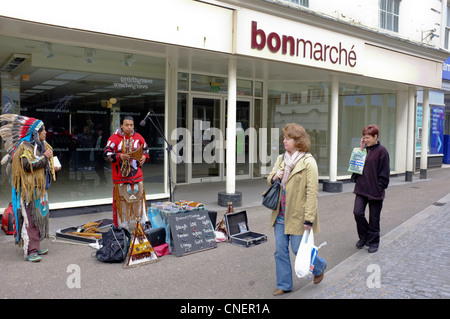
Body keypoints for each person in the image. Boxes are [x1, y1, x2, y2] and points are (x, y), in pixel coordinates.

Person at [267, 123, 326, 296]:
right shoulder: (281, 159)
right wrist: (274, 177)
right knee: (280, 250)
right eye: (284, 138)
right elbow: (270, 178)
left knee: (298, 249)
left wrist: (309, 218)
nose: (284, 141)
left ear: (298, 141)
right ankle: (284, 284)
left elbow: (312, 192)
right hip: (280, 212)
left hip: (298, 215)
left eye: (288, 138)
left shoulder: (308, 162)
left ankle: (320, 266)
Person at [0, 114, 60, 262]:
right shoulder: (24, 147)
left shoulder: (42, 145)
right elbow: (27, 166)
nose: (46, 132)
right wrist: (45, 157)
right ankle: (31, 250)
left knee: (39, 218)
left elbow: (42, 163)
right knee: (30, 220)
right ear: (35, 133)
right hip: (28, 191)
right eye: (43, 130)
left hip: (40, 190)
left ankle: (36, 246)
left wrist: (53, 166)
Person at [103, 116, 150, 229]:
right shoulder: (114, 138)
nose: (129, 127)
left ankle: (142, 229)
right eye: (127, 125)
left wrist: (144, 156)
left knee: (139, 205)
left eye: (131, 125)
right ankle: (123, 230)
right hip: (121, 178)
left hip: (137, 177)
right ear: (122, 126)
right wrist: (119, 156)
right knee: (122, 206)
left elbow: (146, 150)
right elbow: (106, 154)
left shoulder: (138, 137)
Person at [352, 124, 390, 253]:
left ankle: (373, 242)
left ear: (375, 137)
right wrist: (360, 149)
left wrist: (380, 187)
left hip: (375, 191)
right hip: (361, 188)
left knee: (374, 218)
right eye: (364, 137)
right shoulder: (362, 150)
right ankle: (364, 237)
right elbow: (355, 168)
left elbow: (385, 172)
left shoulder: (382, 151)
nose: (365, 139)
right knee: (357, 213)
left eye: (368, 137)